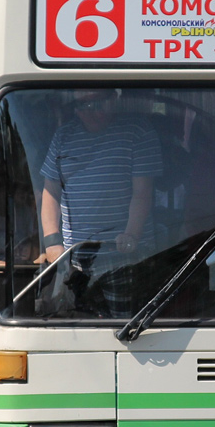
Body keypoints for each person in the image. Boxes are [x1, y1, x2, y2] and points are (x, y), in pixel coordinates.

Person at [38, 89, 163, 316]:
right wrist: (52, 243)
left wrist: (131, 236)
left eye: (98, 105)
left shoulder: (137, 131)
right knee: (74, 329)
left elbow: (142, 192)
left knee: (127, 329)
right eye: (83, 107)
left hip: (124, 259)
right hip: (73, 260)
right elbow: (51, 191)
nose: (91, 113)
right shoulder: (63, 136)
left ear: (114, 99)